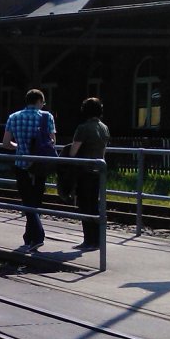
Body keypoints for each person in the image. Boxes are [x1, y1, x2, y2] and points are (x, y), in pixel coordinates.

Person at [3, 89, 55, 252]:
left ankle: (31, 237)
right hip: (40, 164)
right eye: (43, 102)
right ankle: (35, 236)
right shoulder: (47, 117)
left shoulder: (14, 117)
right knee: (36, 201)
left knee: (27, 200)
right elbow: (52, 141)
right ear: (39, 101)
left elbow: (5, 143)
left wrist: (19, 146)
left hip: (21, 163)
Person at [67, 97, 110, 250]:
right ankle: (97, 240)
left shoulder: (83, 128)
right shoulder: (104, 128)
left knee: (85, 205)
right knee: (95, 205)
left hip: (84, 171)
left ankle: (88, 240)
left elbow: (73, 152)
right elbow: (103, 152)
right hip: (99, 170)